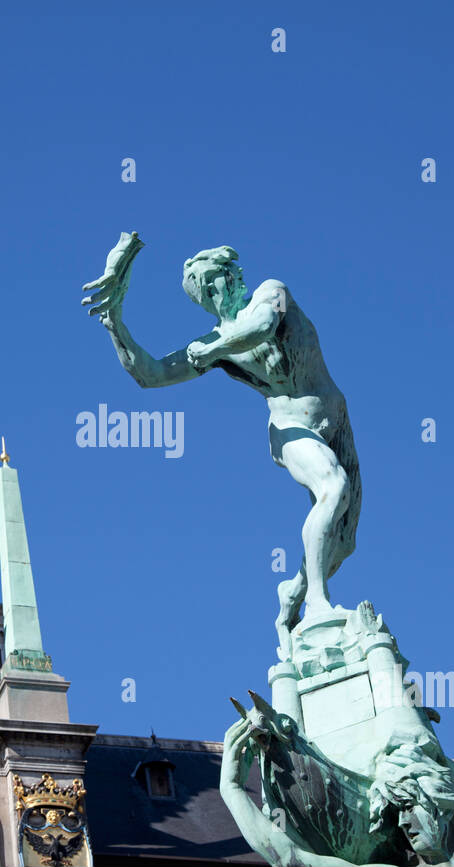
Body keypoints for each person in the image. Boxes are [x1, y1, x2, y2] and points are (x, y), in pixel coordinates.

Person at [84, 233, 362, 652]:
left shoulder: (270, 293)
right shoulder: (215, 348)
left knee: (343, 543)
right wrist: (115, 324)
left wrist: (211, 348)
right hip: (289, 427)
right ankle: (319, 606)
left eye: (213, 281)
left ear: (234, 275)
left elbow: (262, 326)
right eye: (201, 292)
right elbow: (151, 375)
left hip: (335, 418)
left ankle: (295, 591)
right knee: (333, 487)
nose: (212, 294)